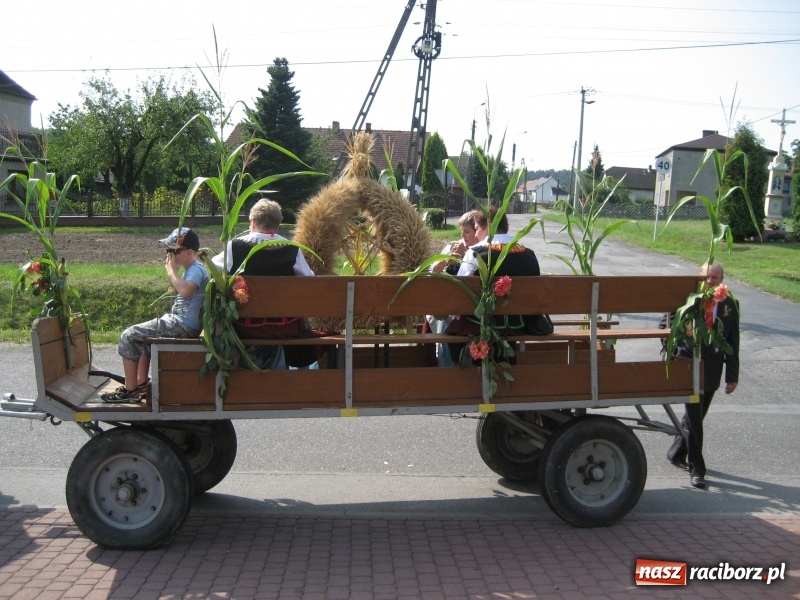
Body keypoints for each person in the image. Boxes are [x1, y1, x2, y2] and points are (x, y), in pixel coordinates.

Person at [102, 227, 209, 403]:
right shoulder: (192, 269)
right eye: (168, 250)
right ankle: (141, 383)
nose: (169, 255)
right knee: (143, 340)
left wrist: (171, 271)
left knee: (128, 336)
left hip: (183, 325)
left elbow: (186, 291)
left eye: (174, 251)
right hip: (181, 322)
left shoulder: (196, 269)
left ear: (190, 253)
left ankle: (130, 391)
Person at [211, 199, 317, 369]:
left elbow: (212, 270)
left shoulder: (235, 246)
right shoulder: (291, 249)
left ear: (253, 222)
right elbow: (310, 281)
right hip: (284, 326)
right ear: (277, 225)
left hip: (244, 325)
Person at [665, 261, 739, 489]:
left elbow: (733, 340)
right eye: (706, 276)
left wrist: (732, 376)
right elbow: (666, 323)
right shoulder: (689, 300)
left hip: (712, 368)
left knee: (697, 415)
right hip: (689, 365)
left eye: (714, 277)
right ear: (699, 276)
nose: (709, 281)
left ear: (722, 280)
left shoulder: (729, 304)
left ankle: (676, 453)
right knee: (695, 419)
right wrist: (673, 349)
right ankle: (697, 470)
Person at [445, 207, 542, 362]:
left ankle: (466, 373)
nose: (476, 234)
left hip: (480, 324)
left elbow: (460, 294)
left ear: (490, 226)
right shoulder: (529, 255)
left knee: (451, 331)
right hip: (518, 324)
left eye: (477, 229)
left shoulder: (475, 253)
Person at [431, 210, 485, 275]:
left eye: (467, 231)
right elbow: (433, 272)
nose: (462, 235)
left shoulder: (485, 250)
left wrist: (465, 254)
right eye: (461, 231)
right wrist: (445, 260)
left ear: (477, 231)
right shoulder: (453, 246)